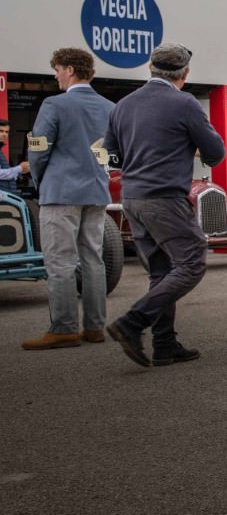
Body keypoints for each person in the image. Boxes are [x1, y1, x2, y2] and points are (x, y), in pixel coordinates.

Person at [104, 43, 226, 368]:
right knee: (191, 263)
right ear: (185, 73)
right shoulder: (184, 103)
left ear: (151, 68)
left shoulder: (123, 105)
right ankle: (132, 322)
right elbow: (215, 151)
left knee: (161, 270)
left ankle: (164, 344)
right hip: (164, 197)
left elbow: (111, 156)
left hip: (132, 198)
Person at [20, 48, 115, 351]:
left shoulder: (54, 104)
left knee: (60, 260)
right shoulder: (110, 107)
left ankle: (63, 328)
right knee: (93, 259)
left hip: (60, 192)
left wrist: (40, 180)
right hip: (96, 192)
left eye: (58, 70)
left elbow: (38, 149)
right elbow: (114, 151)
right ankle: (95, 326)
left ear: (70, 70)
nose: (56, 76)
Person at [0, 119, 29, 193]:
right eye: (1, 131)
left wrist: (20, 171)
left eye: (6, 132)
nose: (4, 134)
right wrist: (19, 168)